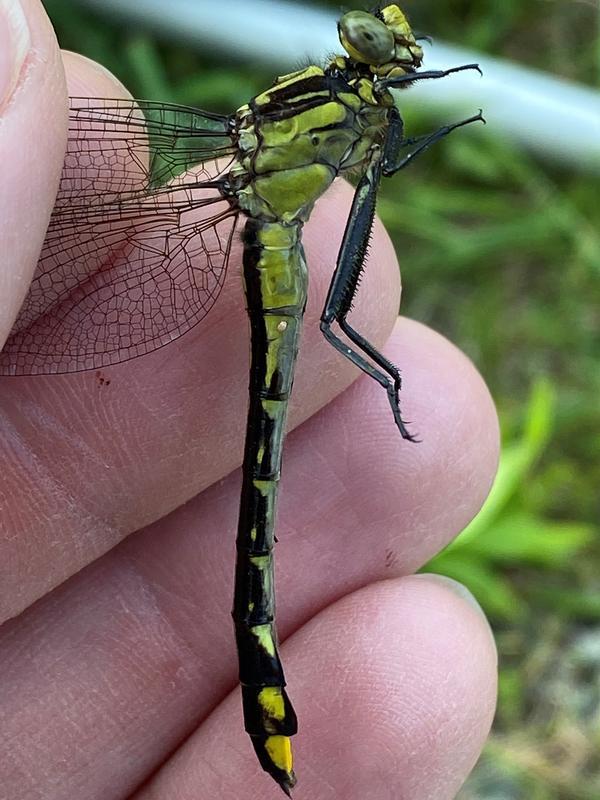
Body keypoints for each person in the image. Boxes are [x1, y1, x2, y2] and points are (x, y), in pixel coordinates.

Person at [0, 1, 499, 797]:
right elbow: (386, 166)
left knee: (340, 325)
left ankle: (393, 385)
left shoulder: (349, 103)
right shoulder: (342, 108)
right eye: (385, 44)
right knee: (336, 322)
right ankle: (264, 665)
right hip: (269, 237)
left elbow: (384, 160)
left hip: (274, 227)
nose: (399, 53)